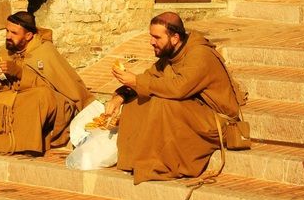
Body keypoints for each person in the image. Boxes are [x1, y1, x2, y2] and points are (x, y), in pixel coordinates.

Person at [104, 12, 242, 184]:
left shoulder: (200, 55)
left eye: (156, 37)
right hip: (192, 112)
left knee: (162, 102)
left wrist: (137, 81)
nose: (151, 42)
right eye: (151, 36)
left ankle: (158, 165)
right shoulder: (169, 56)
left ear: (175, 38)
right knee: (138, 99)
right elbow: (148, 78)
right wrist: (119, 98)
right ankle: (134, 160)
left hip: (216, 123)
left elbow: (179, 88)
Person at [0, 11, 95, 155]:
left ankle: (21, 144)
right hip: (15, 93)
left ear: (28, 36)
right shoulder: (7, 49)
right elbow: (3, 85)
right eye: (7, 31)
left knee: (40, 96)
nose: (8, 36)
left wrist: (20, 73)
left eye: (14, 33)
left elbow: (51, 87)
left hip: (50, 99)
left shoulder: (45, 51)